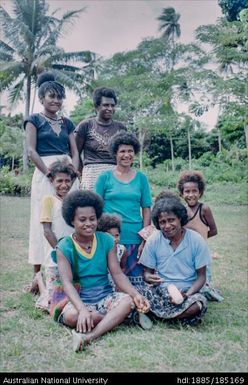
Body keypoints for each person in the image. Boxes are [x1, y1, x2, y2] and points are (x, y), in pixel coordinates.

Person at [52, 190, 150, 351]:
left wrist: (135, 294)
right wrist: (82, 310)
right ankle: (116, 318)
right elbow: (67, 283)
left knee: (127, 301)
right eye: (82, 220)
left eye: (92, 219)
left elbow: (117, 274)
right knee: (72, 317)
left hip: (105, 297)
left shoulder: (107, 240)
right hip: (79, 299)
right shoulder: (64, 247)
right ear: (72, 220)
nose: (88, 224)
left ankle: (90, 336)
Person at [25, 71, 79, 294]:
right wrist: (49, 174)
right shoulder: (34, 120)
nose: (55, 101)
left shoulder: (67, 123)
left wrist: (73, 171)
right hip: (45, 173)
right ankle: (38, 277)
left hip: (68, 174)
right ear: (41, 98)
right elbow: (31, 150)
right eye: (51, 96)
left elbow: (75, 151)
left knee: (68, 220)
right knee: (43, 221)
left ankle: (71, 271)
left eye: (59, 97)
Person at [136, 196, 209, 326]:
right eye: (162, 222)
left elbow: (201, 277)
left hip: (188, 291)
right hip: (162, 290)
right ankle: (175, 317)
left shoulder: (196, 240)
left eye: (171, 220)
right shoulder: (154, 240)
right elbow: (146, 273)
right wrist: (149, 277)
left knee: (197, 305)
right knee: (138, 294)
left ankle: (158, 316)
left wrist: (187, 294)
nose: (167, 226)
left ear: (180, 218)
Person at [95, 131, 152, 286]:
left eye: (130, 151)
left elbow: (147, 208)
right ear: (115, 153)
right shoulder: (104, 177)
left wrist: (145, 238)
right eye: (122, 151)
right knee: (110, 282)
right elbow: (95, 208)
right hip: (109, 238)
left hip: (135, 236)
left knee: (137, 284)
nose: (126, 155)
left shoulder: (141, 178)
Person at [35, 159, 77, 311]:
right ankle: (39, 279)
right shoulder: (49, 200)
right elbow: (47, 230)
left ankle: (41, 280)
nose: (64, 185)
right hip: (55, 254)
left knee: (72, 294)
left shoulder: (74, 201)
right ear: (52, 181)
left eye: (67, 181)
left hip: (73, 254)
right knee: (54, 305)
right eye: (59, 181)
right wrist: (60, 251)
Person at [177, 170, 223, 301]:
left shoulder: (204, 209)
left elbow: (214, 230)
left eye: (194, 191)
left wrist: (199, 241)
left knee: (205, 287)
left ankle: (209, 290)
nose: (191, 195)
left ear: (200, 192)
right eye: (187, 191)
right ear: (181, 193)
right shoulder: (181, 211)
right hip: (186, 254)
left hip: (202, 253)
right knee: (190, 282)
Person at [75, 87, 127, 190]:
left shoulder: (121, 128)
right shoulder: (86, 125)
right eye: (106, 105)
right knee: (91, 205)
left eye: (112, 105)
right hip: (91, 174)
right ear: (97, 106)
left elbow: (126, 153)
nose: (110, 108)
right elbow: (75, 152)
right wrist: (82, 173)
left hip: (115, 173)